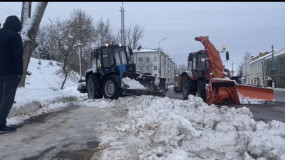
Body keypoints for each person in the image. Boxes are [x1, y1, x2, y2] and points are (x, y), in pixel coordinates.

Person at [0, 15, 23, 133]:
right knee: (7, 99)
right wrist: (20, 72)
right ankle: (1, 124)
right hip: (11, 73)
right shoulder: (15, 36)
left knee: (0, 97)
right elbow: (17, 55)